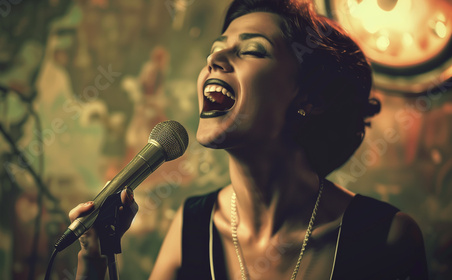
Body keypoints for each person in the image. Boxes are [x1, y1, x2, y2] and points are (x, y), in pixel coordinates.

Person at [69, 0, 428, 279]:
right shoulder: (192, 226)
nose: (215, 57)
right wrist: (94, 262)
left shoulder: (388, 239)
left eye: (253, 50)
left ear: (310, 98)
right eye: (216, 48)